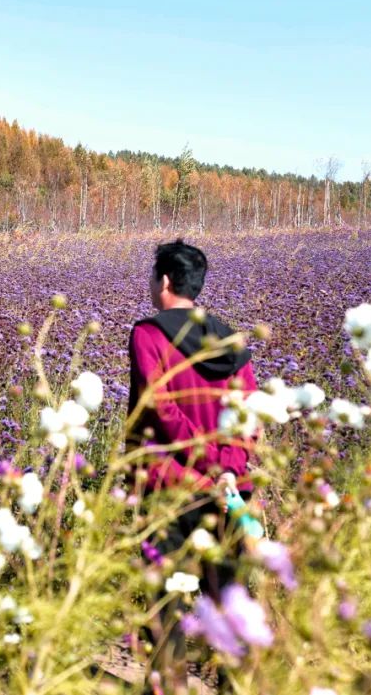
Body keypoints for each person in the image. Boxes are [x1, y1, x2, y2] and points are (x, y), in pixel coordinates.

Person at [126, 240, 259, 693]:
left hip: (171, 490)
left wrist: (207, 462)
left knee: (167, 607)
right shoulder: (231, 342)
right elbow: (249, 415)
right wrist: (229, 466)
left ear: (164, 281)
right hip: (230, 492)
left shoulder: (149, 335)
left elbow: (161, 410)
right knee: (228, 603)